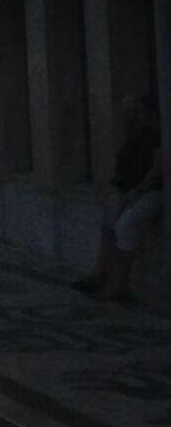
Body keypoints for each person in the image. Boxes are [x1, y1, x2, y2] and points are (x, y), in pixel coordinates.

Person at [74, 96, 162, 302]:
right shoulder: (135, 135)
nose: (131, 116)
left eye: (136, 111)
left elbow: (158, 168)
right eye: (128, 112)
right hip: (127, 189)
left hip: (149, 191)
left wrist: (138, 190)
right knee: (109, 222)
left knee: (126, 226)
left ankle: (118, 283)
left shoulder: (156, 136)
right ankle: (100, 272)